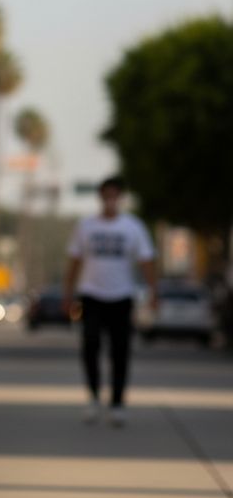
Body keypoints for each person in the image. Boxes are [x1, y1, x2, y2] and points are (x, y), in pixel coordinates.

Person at [62, 176, 157, 427]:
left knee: (120, 351)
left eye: (115, 195)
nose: (110, 200)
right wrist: (67, 293)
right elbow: (74, 261)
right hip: (91, 294)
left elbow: (146, 261)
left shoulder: (133, 227)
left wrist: (153, 292)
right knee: (90, 344)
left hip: (122, 295)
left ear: (120, 197)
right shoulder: (86, 226)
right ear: (100, 197)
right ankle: (93, 397)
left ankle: (117, 403)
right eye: (106, 195)